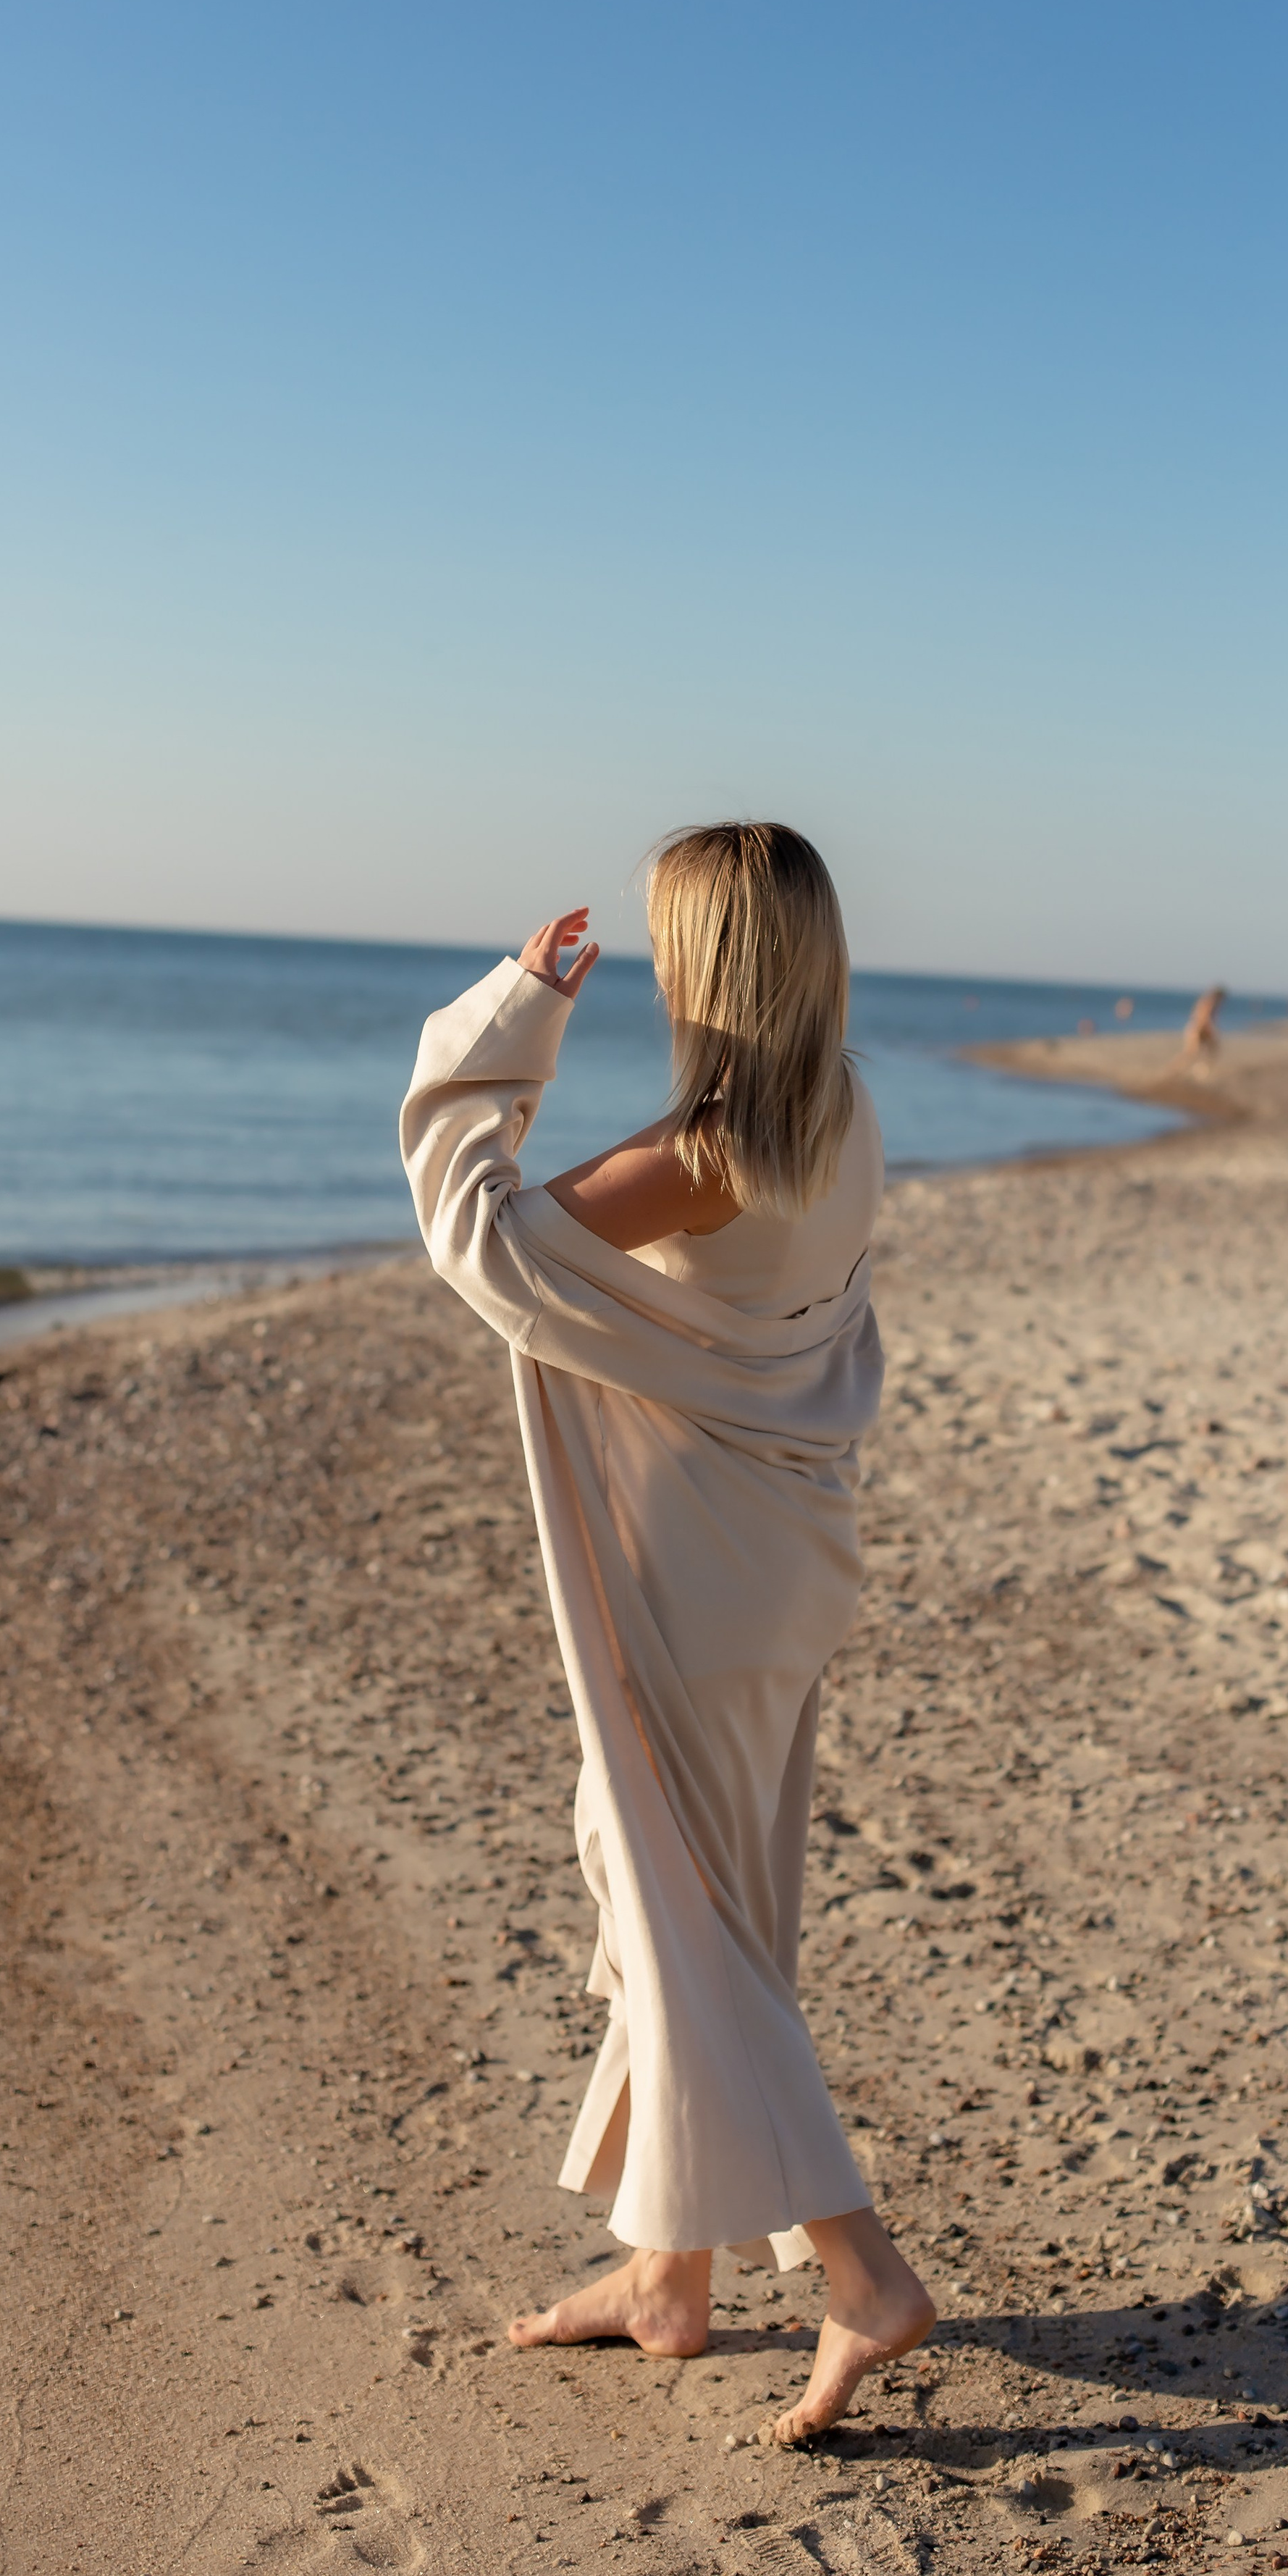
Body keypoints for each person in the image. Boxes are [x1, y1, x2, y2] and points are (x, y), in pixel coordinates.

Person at [398, 823, 933, 2439]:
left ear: (706, 965)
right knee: (687, 1904)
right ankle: (667, 2274)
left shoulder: (708, 1149)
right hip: (776, 1563)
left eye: (660, 941)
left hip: (701, 1583)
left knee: (678, 1916)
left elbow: (486, 1239)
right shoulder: (840, 1116)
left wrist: (508, 1021)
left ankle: (862, 2275)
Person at [1179, 983, 1225, 1072]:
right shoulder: (1211, 1003)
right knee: (1192, 1053)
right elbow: (1205, 1019)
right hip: (1198, 1029)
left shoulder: (1206, 1001)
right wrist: (1213, 1030)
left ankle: (1202, 1070)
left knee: (1209, 1052)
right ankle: (1177, 1070)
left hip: (1199, 1029)